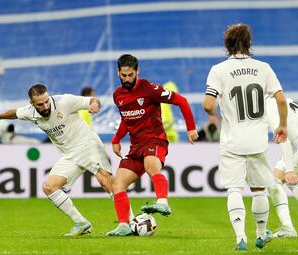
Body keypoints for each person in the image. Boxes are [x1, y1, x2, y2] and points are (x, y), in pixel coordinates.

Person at [202, 23, 288, 251]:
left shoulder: (218, 70)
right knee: (259, 189)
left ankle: (241, 238)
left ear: (227, 45)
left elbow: (208, 105)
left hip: (232, 141)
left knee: (234, 190)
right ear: (249, 44)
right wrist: (282, 126)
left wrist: (215, 111)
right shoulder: (264, 68)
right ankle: (261, 234)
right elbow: (280, 99)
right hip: (258, 140)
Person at [0, 83, 113, 236]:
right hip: (70, 154)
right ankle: (81, 223)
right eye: (40, 104)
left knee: (106, 181)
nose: (46, 106)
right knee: (49, 187)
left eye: (47, 101)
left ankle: (129, 223)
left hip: (87, 144)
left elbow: (92, 100)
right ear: (31, 103)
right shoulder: (30, 112)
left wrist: (94, 105)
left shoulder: (64, 101)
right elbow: (14, 113)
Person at [106, 54, 198, 236]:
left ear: (137, 71)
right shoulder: (118, 95)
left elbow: (182, 101)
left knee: (151, 166)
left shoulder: (149, 88)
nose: (127, 79)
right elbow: (127, 119)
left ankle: (162, 202)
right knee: (117, 184)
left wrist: (191, 128)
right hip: (135, 146)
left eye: (130, 75)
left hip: (154, 140)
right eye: (123, 75)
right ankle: (124, 225)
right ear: (118, 72)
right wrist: (116, 139)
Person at [266, 97, 298, 238]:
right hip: (295, 146)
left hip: (295, 146)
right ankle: (287, 228)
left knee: (277, 181)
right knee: (284, 182)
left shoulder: (271, 105)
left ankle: (288, 228)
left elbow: (283, 137)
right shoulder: (285, 100)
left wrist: (290, 170)